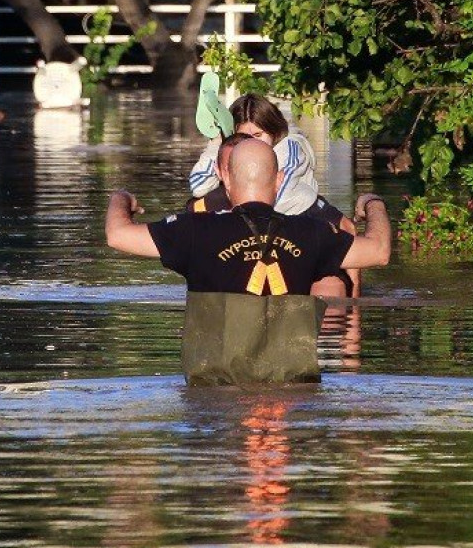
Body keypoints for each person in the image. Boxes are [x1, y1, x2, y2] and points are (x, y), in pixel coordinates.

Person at [107, 139, 392, 384]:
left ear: (227, 180)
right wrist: (372, 202)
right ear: (279, 181)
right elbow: (378, 251)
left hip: (215, 397)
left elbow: (117, 235)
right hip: (292, 393)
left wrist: (121, 198)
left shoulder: (194, 230)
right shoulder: (311, 232)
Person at [186, 93, 365, 294]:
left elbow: (275, 197)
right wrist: (216, 144)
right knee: (197, 206)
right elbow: (199, 185)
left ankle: (352, 301)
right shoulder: (233, 150)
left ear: (273, 131)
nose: (252, 145)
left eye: (258, 136)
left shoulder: (290, 147)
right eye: (244, 138)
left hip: (302, 217)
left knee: (338, 261)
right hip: (259, 231)